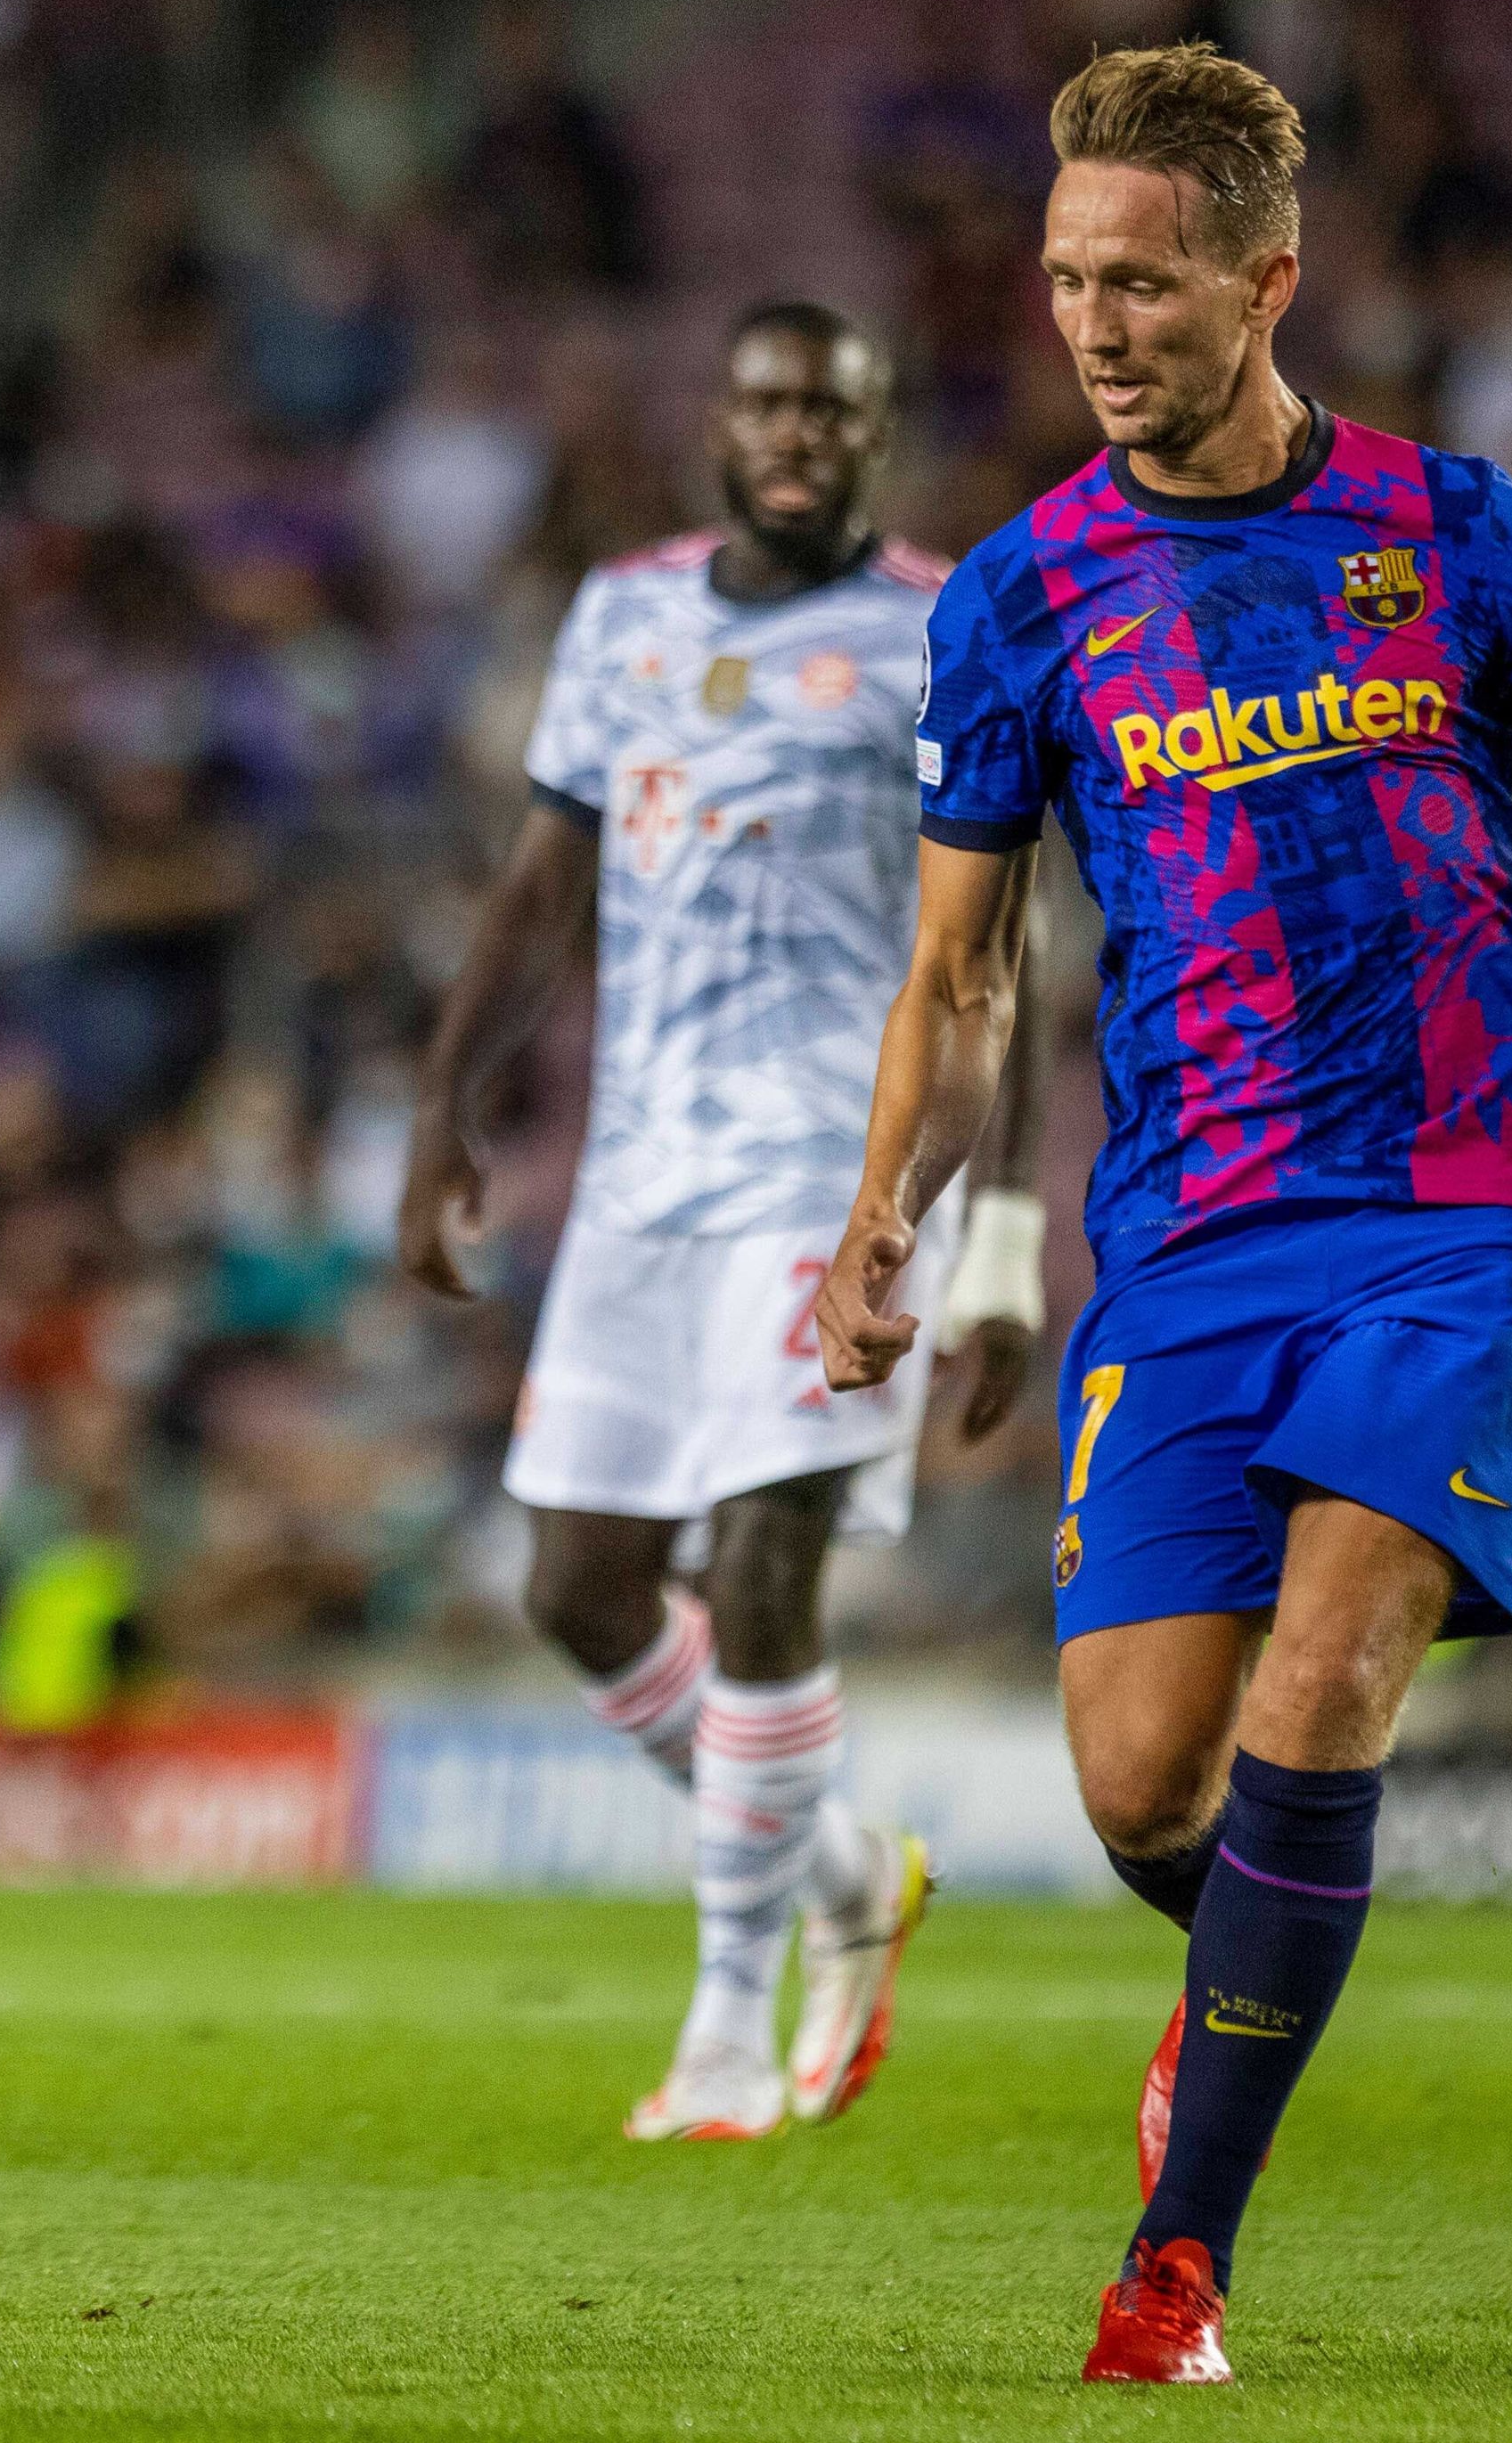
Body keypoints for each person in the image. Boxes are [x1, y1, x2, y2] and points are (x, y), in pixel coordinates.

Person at [813, 44, 1512, 2383]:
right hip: (1186, 1229)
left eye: (1149, 282)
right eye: (1070, 279)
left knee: (1325, 1667)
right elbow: (960, 971)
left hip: (1469, 1202)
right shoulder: (1020, 593)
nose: (1098, 322)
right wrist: (887, 1206)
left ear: (1269, 278)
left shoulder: (1459, 531)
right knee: (1139, 1780)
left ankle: (1173, 2266)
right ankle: (1245, 1978)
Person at [399, 305, 1044, 2143]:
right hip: (634, 1182)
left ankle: (717, 2036)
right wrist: (443, 1104)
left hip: (838, 1180)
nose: (793, 436)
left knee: (764, 1567)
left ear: (877, 433)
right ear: (718, 421)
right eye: (765, 403)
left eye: (829, 412)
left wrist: (989, 1243)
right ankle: (843, 1869)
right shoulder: (623, 615)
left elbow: (1006, 951)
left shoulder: (953, 624)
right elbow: (541, 890)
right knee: (576, 1586)